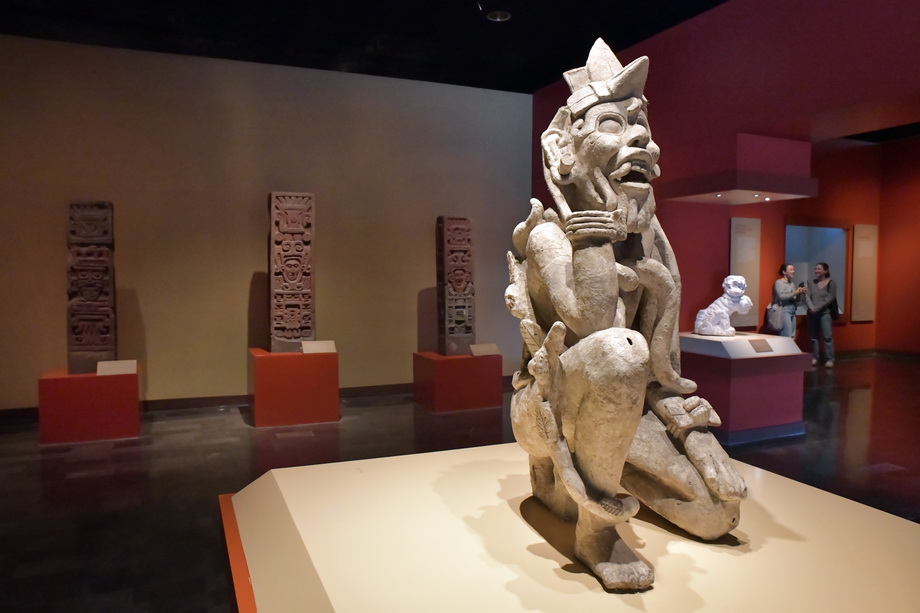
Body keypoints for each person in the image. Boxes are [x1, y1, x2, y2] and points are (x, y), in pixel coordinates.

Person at [806, 262, 836, 367]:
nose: (816, 271)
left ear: (825, 271)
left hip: (824, 313)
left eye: (819, 269)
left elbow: (830, 298)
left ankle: (829, 359)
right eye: (816, 269)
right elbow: (807, 296)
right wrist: (811, 308)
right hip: (812, 314)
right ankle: (815, 357)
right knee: (813, 337)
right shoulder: (811, 283)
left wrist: (817, 308)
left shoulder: (831, 283)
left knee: (827, 337)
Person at [772, 263, 805, 337]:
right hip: (784, 310)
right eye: (791, 270)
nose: (793, 271)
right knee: (787, 335)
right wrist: (795, 292)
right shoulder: (779, 282)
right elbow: (781, 296)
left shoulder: (792, 283)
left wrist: (799, 293)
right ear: (784, 272)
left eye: (793, 269)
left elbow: (795, 299)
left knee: (792, 335)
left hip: (793, 310)